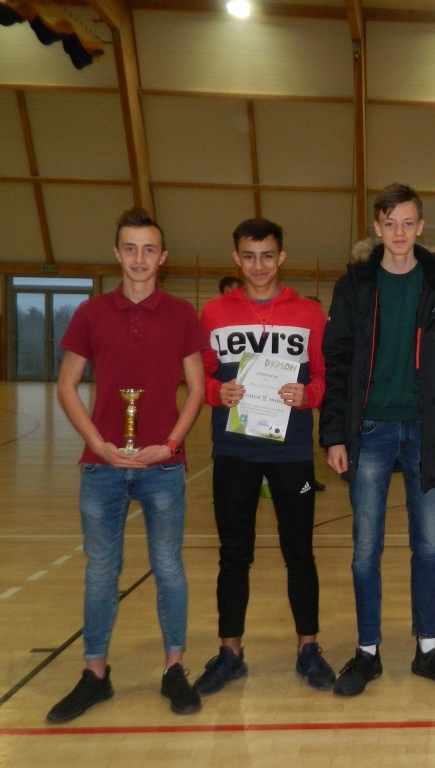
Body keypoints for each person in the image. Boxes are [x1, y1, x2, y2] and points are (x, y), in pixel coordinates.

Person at [48, 208, 207, 723]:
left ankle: (174, 669)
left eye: (149, 249)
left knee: (169, 568)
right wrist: (97, 443)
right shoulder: (91, 313)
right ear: (117, 254)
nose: (140, 259)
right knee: (101, 572)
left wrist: (172, 443)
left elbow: (198, 388)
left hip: (163, 467)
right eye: (130, 249)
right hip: (102, 468)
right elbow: (66, 386)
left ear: (163, 257)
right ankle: (95, 675)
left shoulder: (182, 314)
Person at [320, 183, 435, 696]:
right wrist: (334, 435)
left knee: (428, 545)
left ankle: (428, 649)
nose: (400, 232)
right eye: (390, 223)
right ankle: (368, 652)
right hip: (369, 431)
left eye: (408, 223)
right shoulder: (355, 285)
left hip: (427, 431)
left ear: (420, 227)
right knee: (366, 548)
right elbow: (338, 362)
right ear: (378, 227)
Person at [193, 218, 335, 697]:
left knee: (300, 552)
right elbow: (199, 376)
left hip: (291, 450)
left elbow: (324, 376)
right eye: (249, 256)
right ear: (237, 258)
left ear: (281, 258)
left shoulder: (309, 313)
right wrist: (217, 391)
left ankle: (308, 648)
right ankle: (229, 653)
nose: (258, 266)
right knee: (234, 554)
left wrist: (308, 395)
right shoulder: (213, 313)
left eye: (267, 255)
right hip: (234, 449)